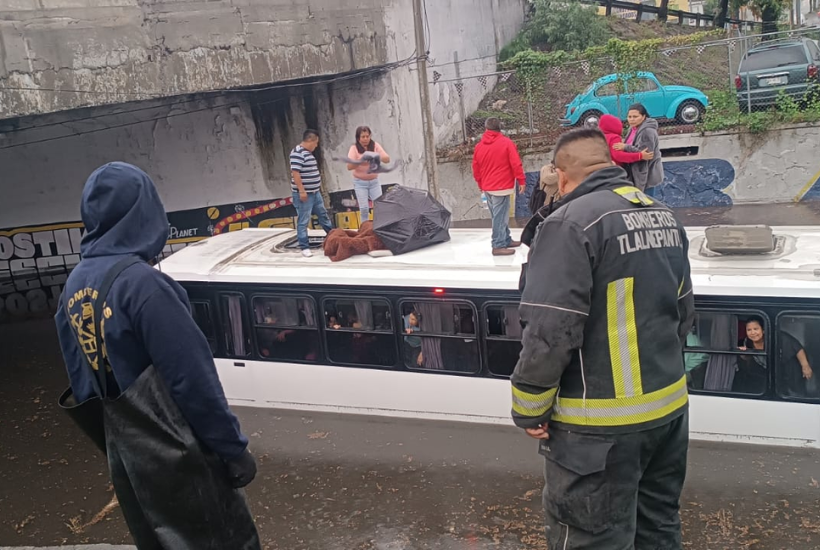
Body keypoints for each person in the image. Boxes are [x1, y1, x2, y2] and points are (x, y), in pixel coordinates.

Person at [54, 162, 261, 549]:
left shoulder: (72, 287)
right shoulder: (144, 286)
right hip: (183, 459)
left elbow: (82, 388)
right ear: (144, 211)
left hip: (130, 463)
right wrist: (232, 449)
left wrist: (125, 450)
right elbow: (193, 380)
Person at [510, 129, 694, 549]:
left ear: (561, 174)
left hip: (598, 432)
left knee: (592, 540)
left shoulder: (569, 224)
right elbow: (683, 314)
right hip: (667, 415)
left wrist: (530, 408)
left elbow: (550, 328)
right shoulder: (663, 214)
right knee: (658, 527)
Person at [471, 117, 526, 256]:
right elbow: (516, 163)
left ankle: (505, 239)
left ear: (486, 128)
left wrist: (480, 184)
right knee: (500, 217)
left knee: (498, 215)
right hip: (502, 186)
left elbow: (476, 167)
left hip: (487, 187)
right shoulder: (506, 143)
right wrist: (521, 180)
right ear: (499, 128)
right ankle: (498, 245)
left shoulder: (479, 146)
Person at [290, 129, 333, 258]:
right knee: (303, 220)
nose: (316, 145)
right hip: (305, 194)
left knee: (323, 215)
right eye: (316, 143)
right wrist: (302, 191)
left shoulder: (308, 153)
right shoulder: (297, 153)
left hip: (315, 192)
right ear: (310, 140)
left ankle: (332, 236)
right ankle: (304, 246)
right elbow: (295, 173)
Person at [613, 104, 664, 196]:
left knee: (647, 203)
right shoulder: (632, 129)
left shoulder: (647, 131)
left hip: (647, 175)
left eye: (635, 116)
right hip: (636, 173)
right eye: (629, 117)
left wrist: (625, 147)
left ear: (643, 117)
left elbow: (647, 154)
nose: (632, 119)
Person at [346, 126, 390, 221]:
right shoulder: (354, 148)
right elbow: (349, 166)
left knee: (379, 207)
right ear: (358, 138)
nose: (365, 139)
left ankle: (380, 227)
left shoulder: (375, 145)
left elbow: (387, 159)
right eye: (363, 137)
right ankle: (364, 229)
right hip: (360, 182)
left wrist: (377, 156)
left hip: (374, 181)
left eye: (367, 136)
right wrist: (362, 160)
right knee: (364, 209)